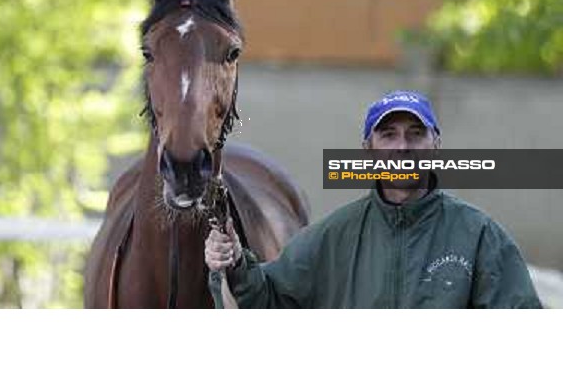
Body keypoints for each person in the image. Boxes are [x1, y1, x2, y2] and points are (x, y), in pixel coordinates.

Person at [205, 90, 542, 308]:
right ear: (368, 149)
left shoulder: (478, 236)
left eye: (415, 133)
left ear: (435, 143)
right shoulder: (335, 236)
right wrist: (234, 262)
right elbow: (267, 299)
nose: (402, 146)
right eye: (388, 134)